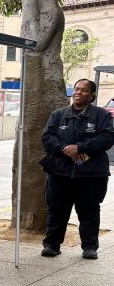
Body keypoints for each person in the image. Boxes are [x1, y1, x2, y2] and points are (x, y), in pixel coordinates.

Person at [39, 78, 114, 259]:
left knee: (89, 211)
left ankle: (89, 247)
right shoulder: (58, 115)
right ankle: (52, 245)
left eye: (84, 90)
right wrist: (64, 148)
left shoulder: (102, 116)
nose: (79, 92)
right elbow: (47, 138)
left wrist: (80, 147)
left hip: (91, 174)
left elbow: (107, 138)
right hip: (60, 172)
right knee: (57, 209)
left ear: (92, 95)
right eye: (77, 89)